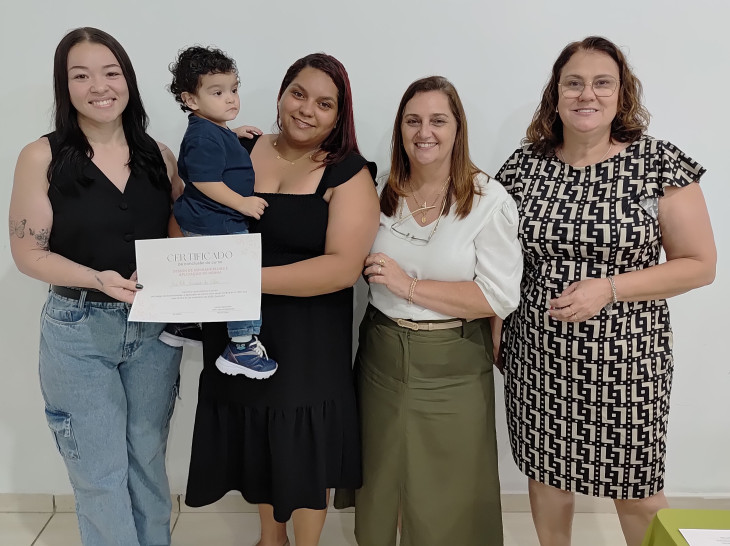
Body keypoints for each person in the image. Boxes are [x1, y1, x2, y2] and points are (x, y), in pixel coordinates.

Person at [496, 36, 716, 546]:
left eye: (602, 83)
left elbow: (700, 265)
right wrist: (496, 332)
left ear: (622, 94)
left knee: (637, 490)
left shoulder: (658, 163)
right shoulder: (524, 166)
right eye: (573, 83)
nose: (586, 94)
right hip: (538, 354)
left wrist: (609, 289)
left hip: (627, 361)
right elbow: (498, 260)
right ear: (556, 94)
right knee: (546, 475)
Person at [183, 53, 380, 546]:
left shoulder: (349, 173)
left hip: (308, 338)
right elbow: (192, 210)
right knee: (259, 442)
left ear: (340, 114)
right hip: (238, 335)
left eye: (325, 103)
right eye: (298, 93)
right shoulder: (237, 146)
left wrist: (240, 279)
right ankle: (270, 540)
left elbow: (342, 268)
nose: (307, 109)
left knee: (304, 449)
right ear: (281, 94)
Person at [8, 27, 183, 546]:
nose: (99, 86)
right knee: (99, 474)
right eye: (80, 75)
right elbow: (28, 254)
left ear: (128, 80)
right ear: (65, 87)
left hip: (153, 330)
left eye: (111, 73)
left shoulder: (159, 155)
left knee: (148, 460)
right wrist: (97, 279)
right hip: (78, 329)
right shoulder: (41, 157)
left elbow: (189, 227)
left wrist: (228, 144)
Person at [352, 76, 523, 546]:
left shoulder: (487, 200)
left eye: (437, 121)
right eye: (413, 121)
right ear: (400, 129)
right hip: (381, 354)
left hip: (454, 361)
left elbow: (498, 296)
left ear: (457, 129)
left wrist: (408, 285)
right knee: (381, 479)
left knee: (450, 487)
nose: (424, 132)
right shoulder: (379, 190)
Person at [159, 45, 277, 379]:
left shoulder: (212, 130)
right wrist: (242, 203)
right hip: (215, 219)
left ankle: (182, 323)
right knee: (243, 278)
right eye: (218, 92)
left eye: (234, 90)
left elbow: (213, 154)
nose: (231, 99)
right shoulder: (203, 137)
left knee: (205, 276)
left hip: (206, 217)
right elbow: (204, 180)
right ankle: (241, 345)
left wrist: (232, 134)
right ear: (190, 100)